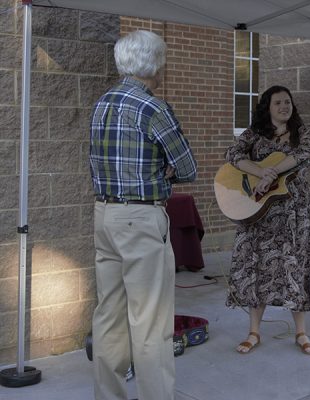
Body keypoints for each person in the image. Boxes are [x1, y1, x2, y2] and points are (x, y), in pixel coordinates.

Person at [89, 30, 197, 400]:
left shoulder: (101, 103)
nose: (165, 67)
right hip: (140, 218)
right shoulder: (153, 108)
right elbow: (186, 166)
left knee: (109, 318)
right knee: (150, 323)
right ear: (154, 63)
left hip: (104, 215)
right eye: (163, 60)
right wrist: (164, 171)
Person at [225, 85, 310, 355]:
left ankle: (301, 332)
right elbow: (233, 155)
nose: (285, 106)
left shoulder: (303, 132)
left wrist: (271, 173)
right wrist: (260, 172)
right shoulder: (253, 134)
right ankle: (254, 331)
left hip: (296, 211)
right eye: (278, 102)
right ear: (267, 107)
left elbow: (301, 156)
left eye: (288, 102)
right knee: (255, 265)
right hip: (258, 211)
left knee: (297, 264)